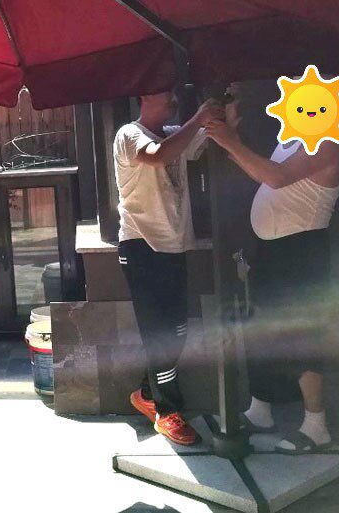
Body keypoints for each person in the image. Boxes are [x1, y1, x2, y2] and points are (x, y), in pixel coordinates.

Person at [205, 88, 339, 455]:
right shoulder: (291, 141)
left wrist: (231, 141)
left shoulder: (326, 143)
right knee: (262, 329)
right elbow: (260, 172)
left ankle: (316, 426)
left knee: (301, 335)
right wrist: (231, 137)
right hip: (272, 248)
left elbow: (277, 177)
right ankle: (261, 408)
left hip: (302, 250)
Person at [114, 91, 223, 446]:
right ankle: (166, 411)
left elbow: (215, 130)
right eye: (166, 91)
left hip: (174, 246)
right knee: (159, 333)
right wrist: (199, 117)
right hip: (141, 245)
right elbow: (158, 156)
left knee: (177, 331)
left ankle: (147, 394)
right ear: (145, 96)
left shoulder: (177, 133)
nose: (174, 98)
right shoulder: (129, 134)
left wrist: (227, 102)